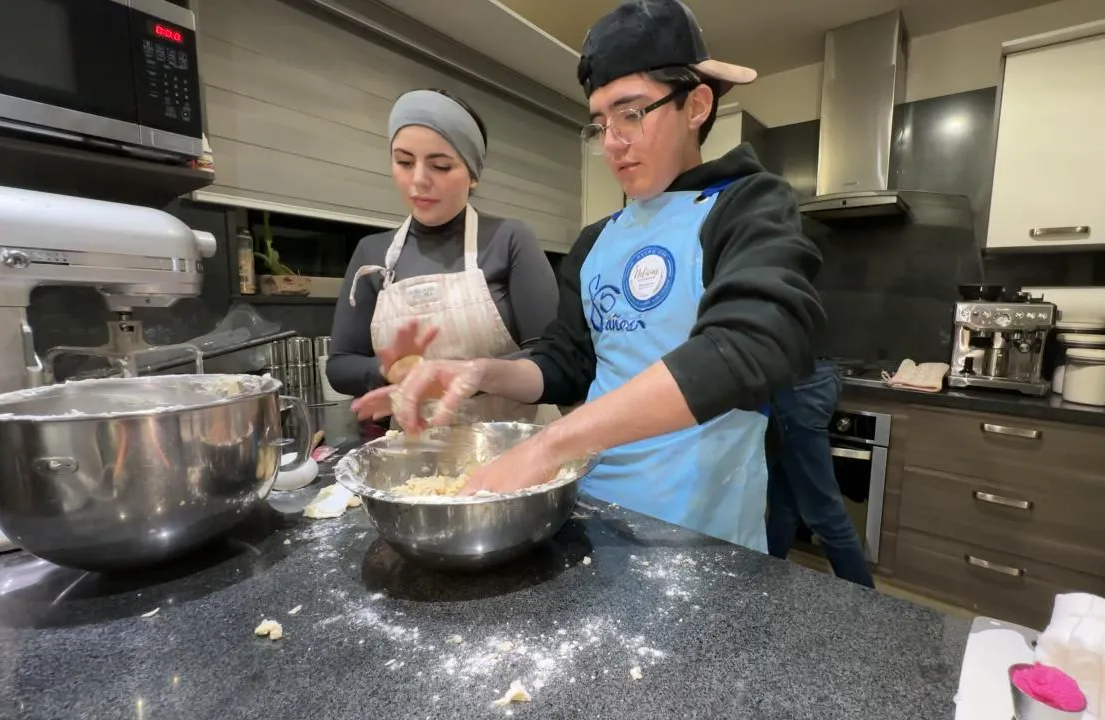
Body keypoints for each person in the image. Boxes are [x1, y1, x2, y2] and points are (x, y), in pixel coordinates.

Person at [353, 0, 823, 553]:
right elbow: (568, 364)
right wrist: (479, 371)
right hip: (592, 511)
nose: (612, 144)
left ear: (696, 105)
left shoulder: (747, 205)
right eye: (600, 124)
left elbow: (753, 343)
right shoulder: (599, 239)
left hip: (699, 529)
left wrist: (550, 444)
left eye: (632, 113)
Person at [326, 88, 559, 424]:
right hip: (415, 449)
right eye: (404, 162)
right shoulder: (372, 253)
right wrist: (391, 370)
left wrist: (462, 375)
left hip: (511, 440)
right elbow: (340, 366)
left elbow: (549, 357)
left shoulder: (509, 239)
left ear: (473, 175)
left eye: (440, 166)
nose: (418, 180)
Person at [765, 364, 876, 587]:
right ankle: (764, 580)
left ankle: (867, 602)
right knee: (784, 503)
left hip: (794, 390)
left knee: (825, 511)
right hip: (817, 378)